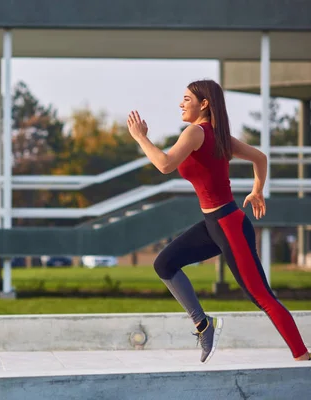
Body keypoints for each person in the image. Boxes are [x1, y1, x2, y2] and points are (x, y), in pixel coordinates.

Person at [126, 79, 309, 364]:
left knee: (259, 294)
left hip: (229, 225)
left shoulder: (196, 132)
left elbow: (164, 164)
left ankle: (302, 354)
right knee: (164, 263)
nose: (181, 104)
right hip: (213, 224)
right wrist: (257, 189)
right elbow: (259, 158)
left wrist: (140, 137)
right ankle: (203, 325)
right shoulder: (217, 135)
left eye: (187, 98)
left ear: (204, 103)